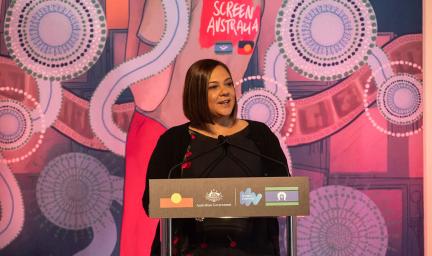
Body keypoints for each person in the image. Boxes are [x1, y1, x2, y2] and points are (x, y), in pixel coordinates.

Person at [142, 59, 289, 256]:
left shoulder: (260, 135)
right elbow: (151, 202)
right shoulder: (174, 141)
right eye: (213, 87)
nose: (225, 91)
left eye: (228, 84)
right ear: (197, 94)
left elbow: (286, 193)